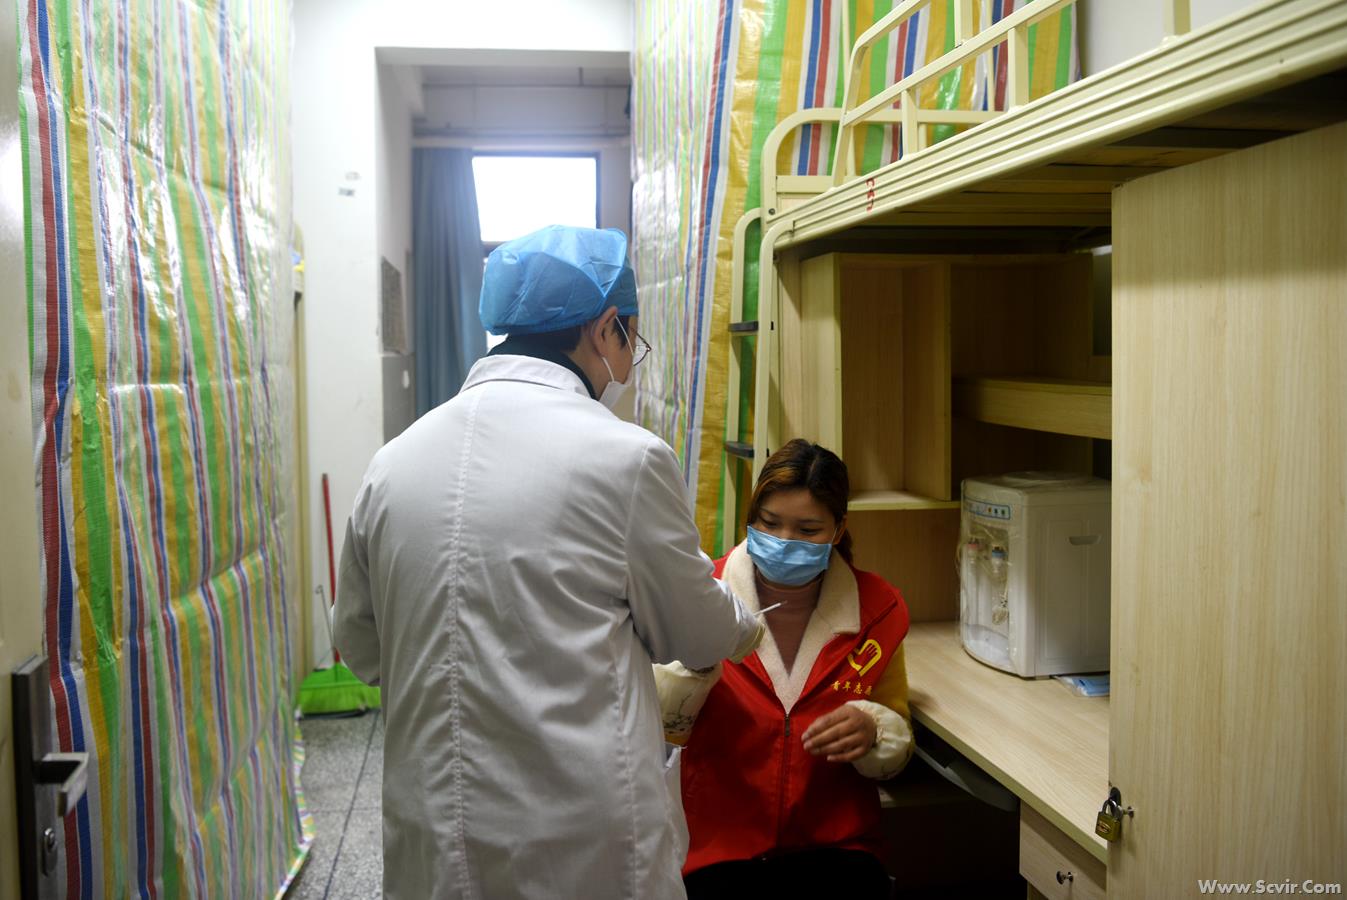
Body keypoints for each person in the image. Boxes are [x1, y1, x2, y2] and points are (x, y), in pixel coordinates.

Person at [334, 225, 764, 900]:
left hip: (434, 830)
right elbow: (698, 633)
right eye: (630, 341)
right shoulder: (625, 458)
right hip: (578, 835)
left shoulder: (393, 463)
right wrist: (747, 620)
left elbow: (361, 647)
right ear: (604, 328)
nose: (627, 365)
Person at [655, 439, 914, 899]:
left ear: (838, 530)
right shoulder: (700, 598)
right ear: (750, 517)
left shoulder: (878, 611)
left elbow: (896, 726)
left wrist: (873, 729)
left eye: (808, 529)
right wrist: (688, 674)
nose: (784, 541)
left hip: (836, 844)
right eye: (769, 523)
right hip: (717, 846)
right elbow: (656, 732)